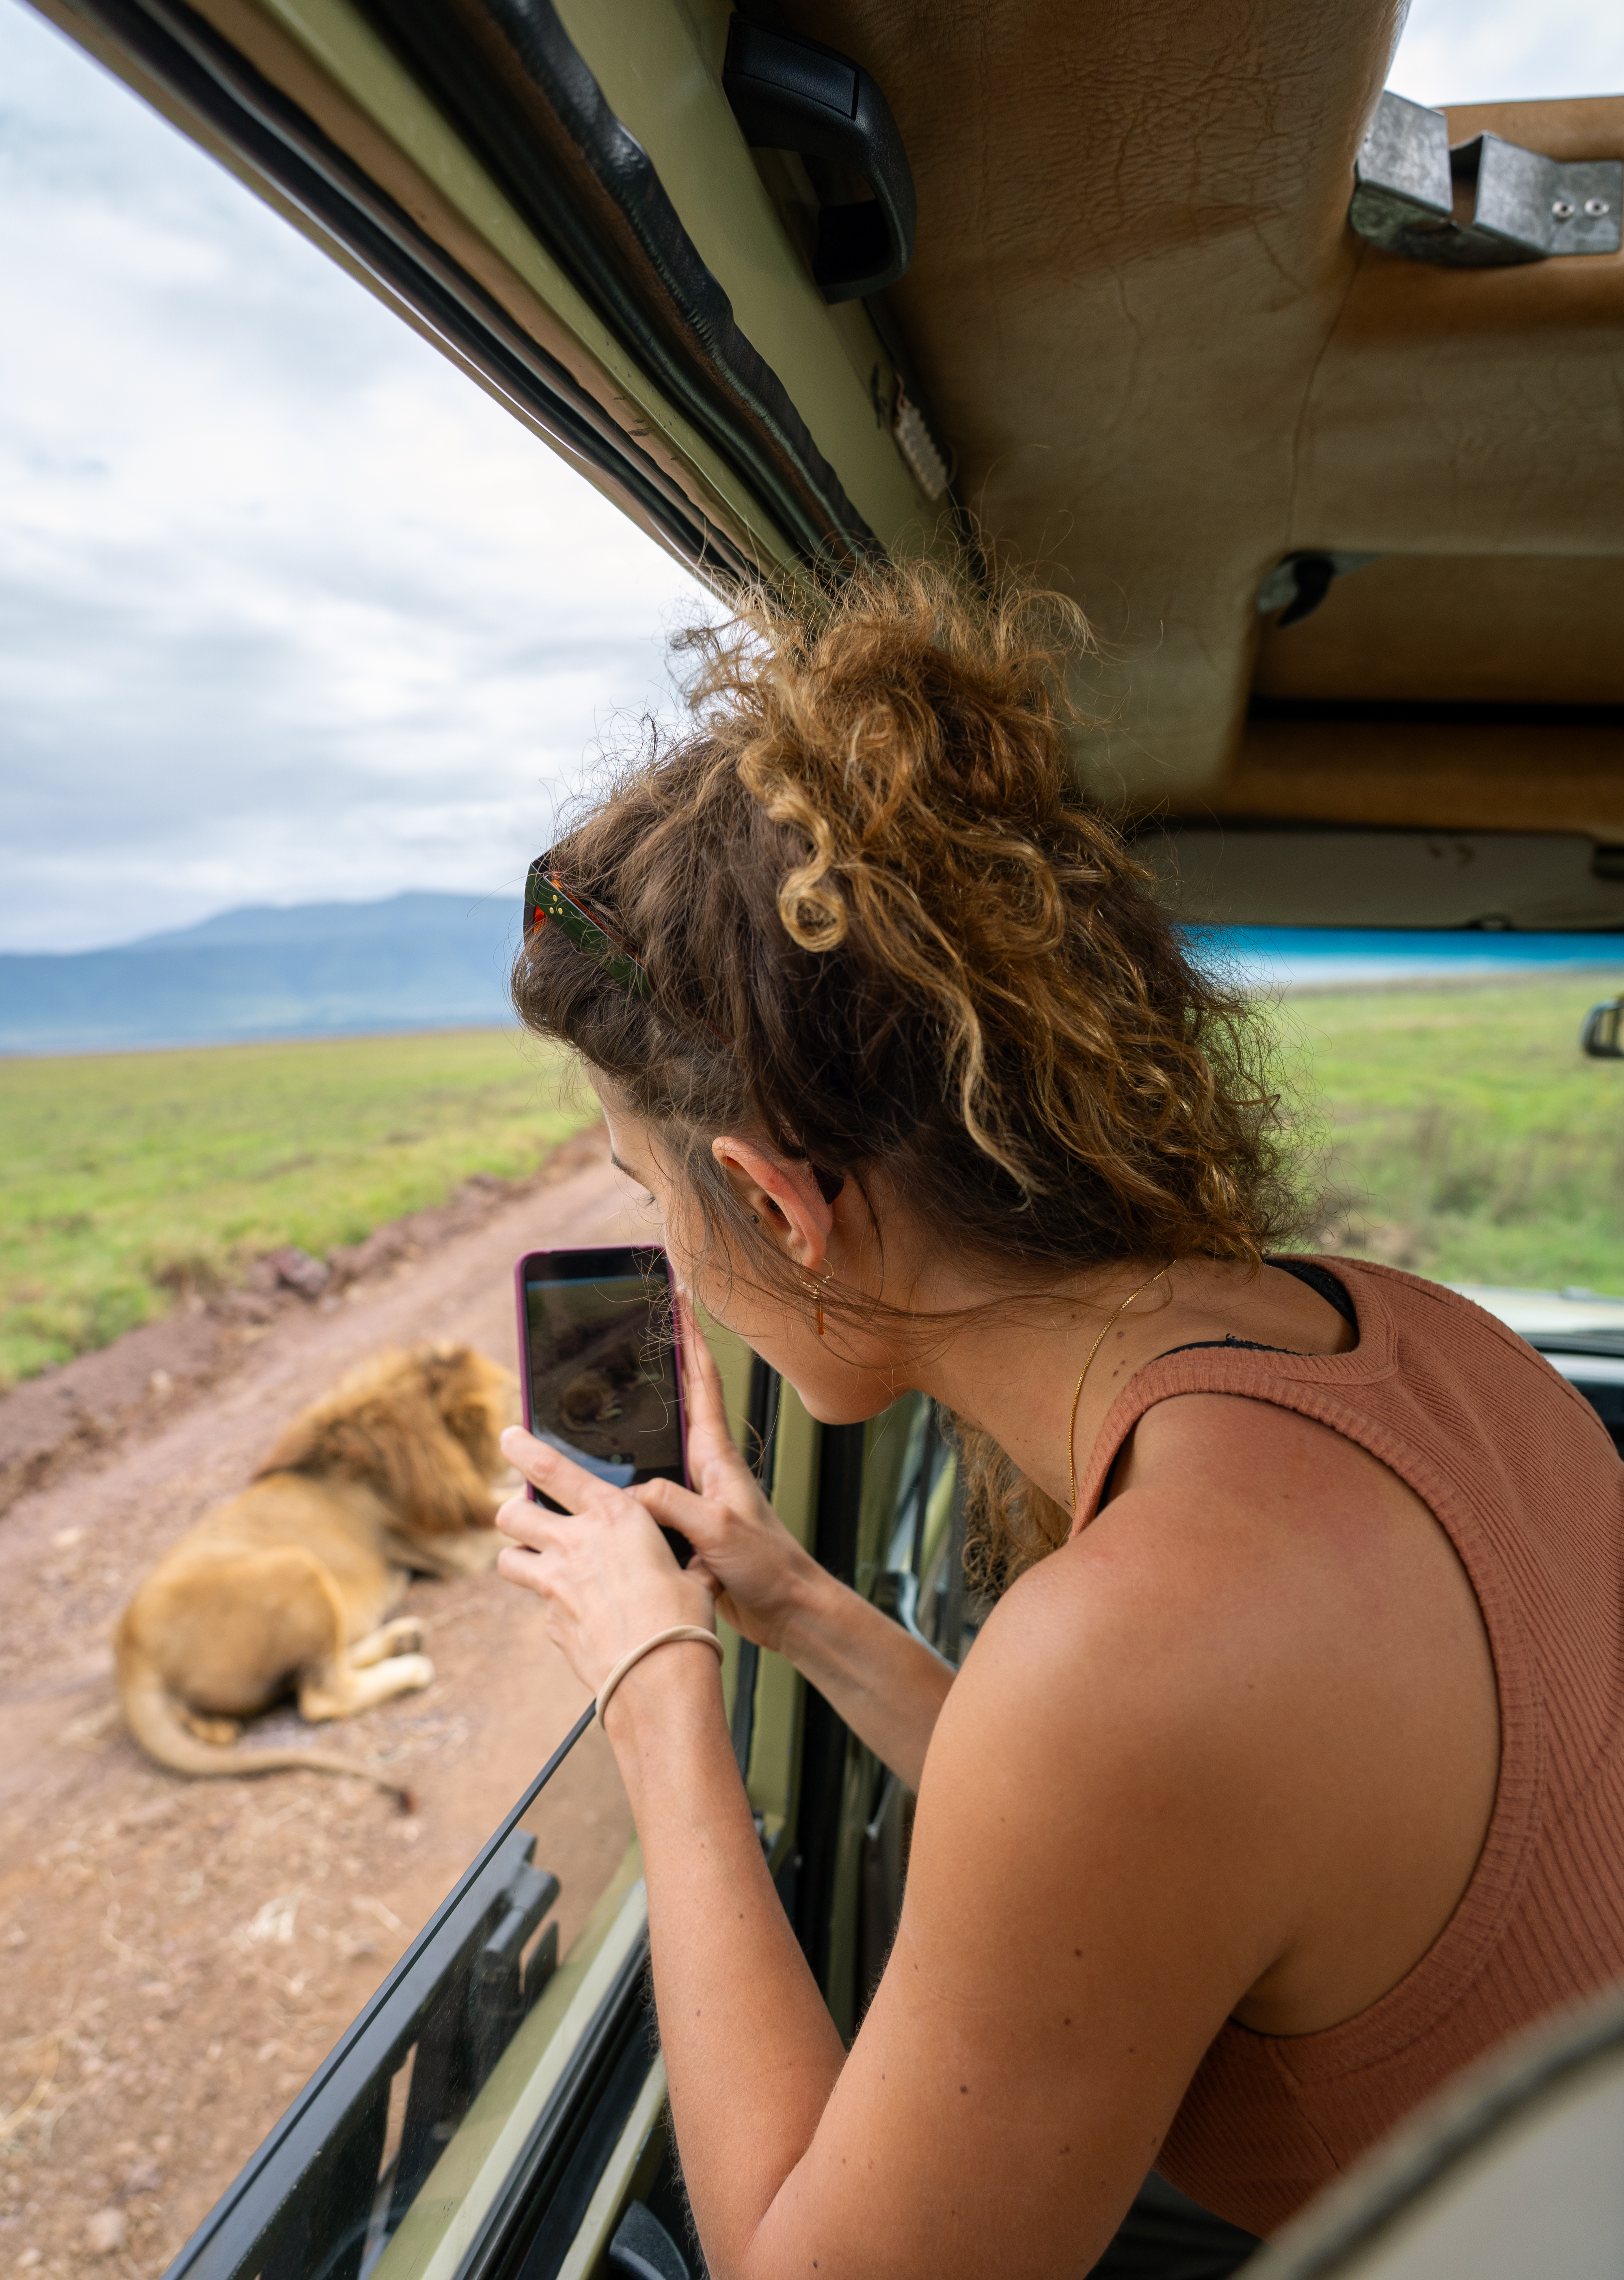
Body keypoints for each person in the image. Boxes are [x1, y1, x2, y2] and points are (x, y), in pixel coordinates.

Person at [493, 559, 1624, 2280]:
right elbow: (1140, 1845)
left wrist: (657, 1694)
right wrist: (795, 1609)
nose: (676, 1257)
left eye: (656, 1194)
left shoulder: (1139, 1653)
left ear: (779, 1204)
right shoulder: (1414, 1335)